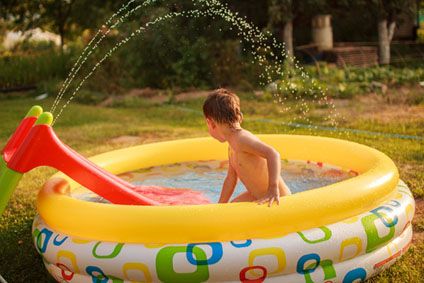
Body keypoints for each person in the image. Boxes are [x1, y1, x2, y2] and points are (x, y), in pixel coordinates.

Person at [203, 88, 291, 206]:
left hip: (277, 198)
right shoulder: (232, 145)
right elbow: (231, 179)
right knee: (229, 211)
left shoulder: (242, 139)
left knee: (233, 216)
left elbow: (273, 154)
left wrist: (273, 189)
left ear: (211, 123)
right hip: (257, 195)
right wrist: (219, 206)